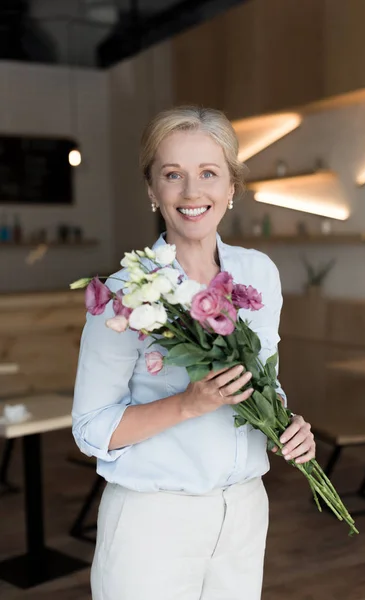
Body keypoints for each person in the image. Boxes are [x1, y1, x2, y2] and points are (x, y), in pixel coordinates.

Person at [72, 106, 316, 600]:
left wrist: (287, 425)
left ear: (231, 187)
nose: (191, 192)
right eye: (172, 175)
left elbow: (266, 381)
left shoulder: (258, 274)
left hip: (246, 513)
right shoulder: (125, 295)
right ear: (152, 191)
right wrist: (189, 403)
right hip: (153, 522)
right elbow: (91, 428)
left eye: (208, 173)